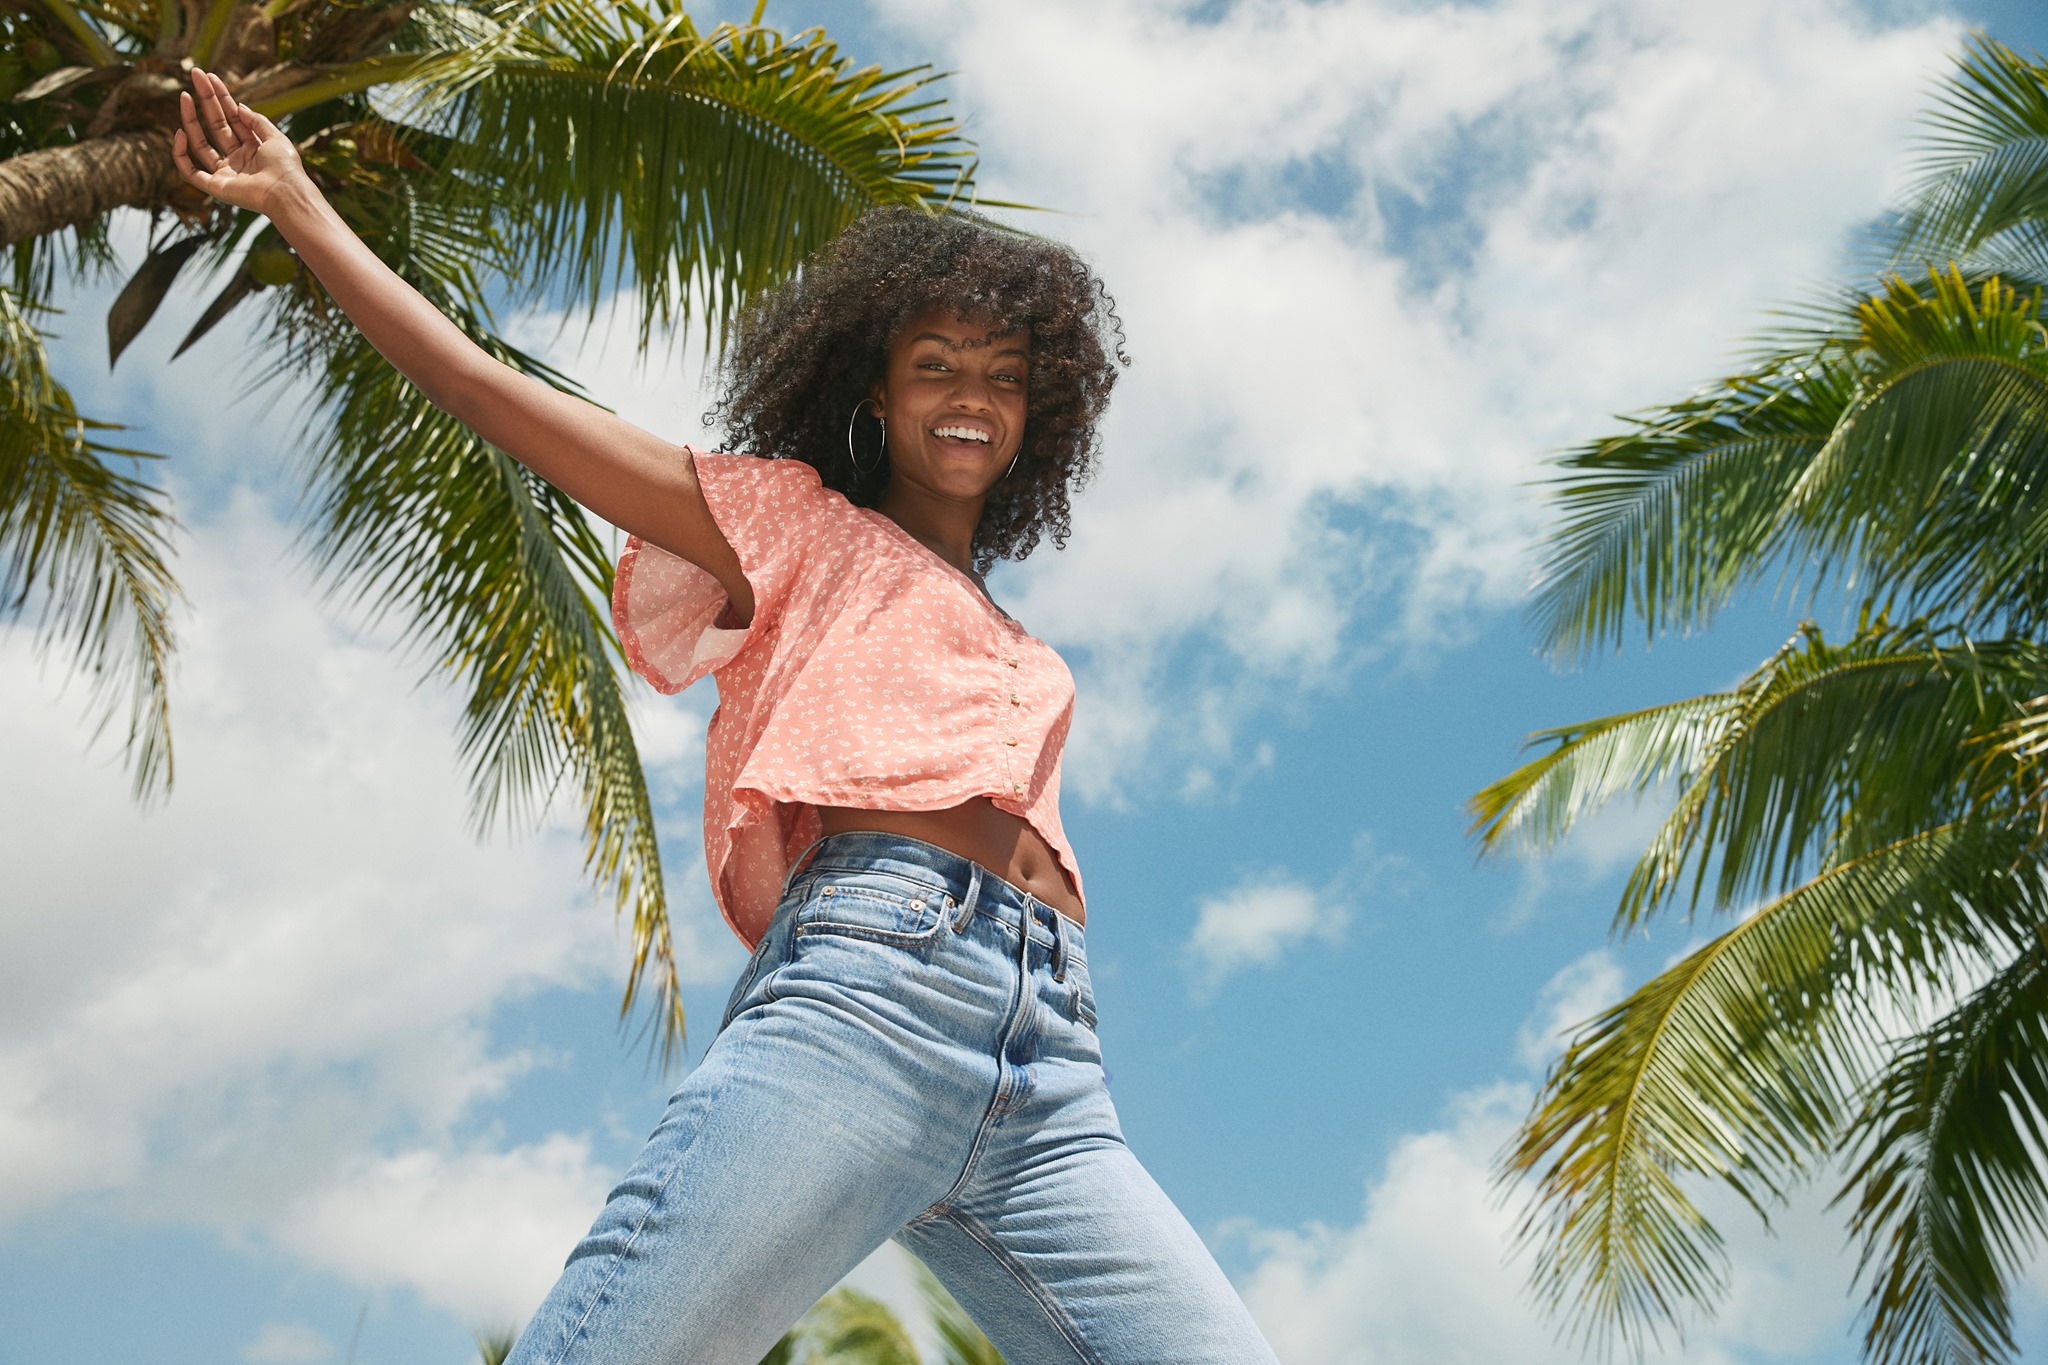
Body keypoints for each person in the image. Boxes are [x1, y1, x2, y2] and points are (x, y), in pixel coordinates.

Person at [173, 68, 1280, 1365]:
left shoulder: (1021, 642)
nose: (968, 393)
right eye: (934, 366)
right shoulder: (797, 524)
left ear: (1041, 412)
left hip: (1051, 1060)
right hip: (874, 997)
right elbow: (489, 391)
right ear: (876, 393)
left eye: (1002, 373)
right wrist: (299, 206)